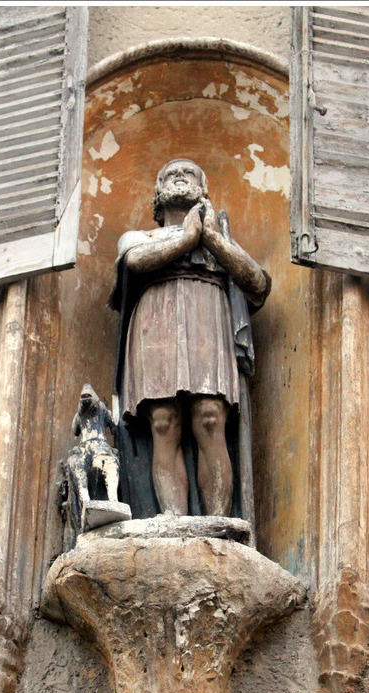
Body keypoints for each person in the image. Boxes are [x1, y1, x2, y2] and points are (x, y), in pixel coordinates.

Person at [110, 159, 271, 520]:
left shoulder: (220, 240)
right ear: (158, 191)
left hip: (207, 316)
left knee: (211, 416)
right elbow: (135, 263)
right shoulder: (139, 238)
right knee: (164, 421)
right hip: (156, 321)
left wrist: (211, 238)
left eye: (190, 174)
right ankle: (173, 517)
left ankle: (218, 520)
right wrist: (187, 238)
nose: (180, 177)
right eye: (170, 173)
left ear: (204, 190)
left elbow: (258, 284)